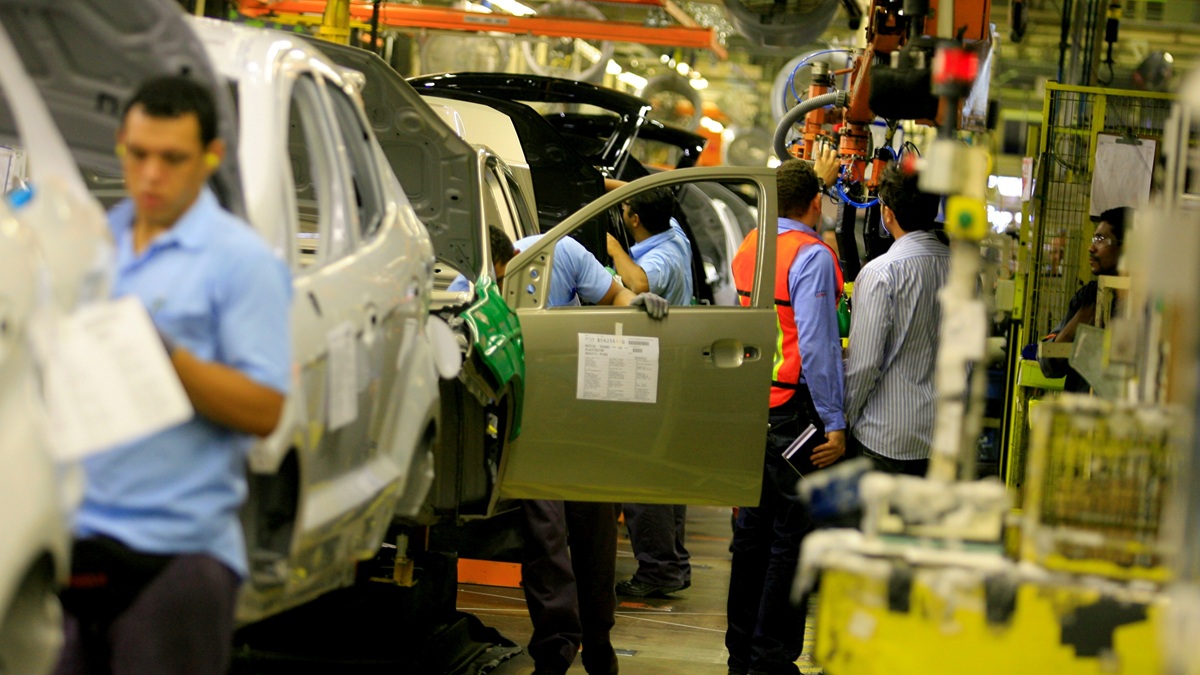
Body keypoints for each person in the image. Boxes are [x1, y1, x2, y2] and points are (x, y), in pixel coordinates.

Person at [54, 77, 292, 674]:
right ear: (120, 147)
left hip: (177, 557)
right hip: (75, 539)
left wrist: (168, 359)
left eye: (173, 158)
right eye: (138, 155)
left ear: (209, 157)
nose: (151, 175)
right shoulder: (98, 243)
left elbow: (264, 410)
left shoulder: (240, 261)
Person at [476, 225, 666, 675]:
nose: (502, 291)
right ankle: (556, 648)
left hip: (582, 413)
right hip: (527, 420)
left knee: (596, 527)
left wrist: (636, 306)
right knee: (546, 535)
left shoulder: (561, 253)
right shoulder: (473, 287)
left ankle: (598, 635)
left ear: (519, 260)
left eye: (506, 279)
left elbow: (616, 298)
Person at [725, 150, 846, 675]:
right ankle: (770, 659)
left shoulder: (751, 246)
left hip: (754, 404)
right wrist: (836, 422)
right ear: (816, 203)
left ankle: (740, 652)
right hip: (797, 417)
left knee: (750, 537)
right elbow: (818, 348)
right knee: (789, 541)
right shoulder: (812, 256)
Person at [605, 187, 694, 598]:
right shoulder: (673, 231)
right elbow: (638, 197)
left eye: (625, 210)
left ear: (634, 220)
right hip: (674, 371)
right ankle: (673, 563)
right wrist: (599, 186)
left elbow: (638, 283)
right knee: (665, 472)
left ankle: (658, 570)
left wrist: (608, 245)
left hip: (654, 372)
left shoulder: (657, 257)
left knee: (642, 473)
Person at [843, 165, 949, 477]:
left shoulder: (881, 273)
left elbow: (863, 364)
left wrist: (844, 421)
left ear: (887, 215)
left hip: (887, 437)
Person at [1037, 207, 1126, 392]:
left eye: (1101, 240)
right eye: (1094, 238)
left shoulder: (1149, 304)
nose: (1091, 247)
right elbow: (1048, 364)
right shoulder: (1088, 296)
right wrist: (1078, 324)